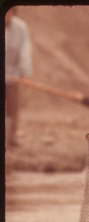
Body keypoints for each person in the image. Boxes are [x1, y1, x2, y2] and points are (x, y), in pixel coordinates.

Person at [5, 6, 33, 147]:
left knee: (12, 108)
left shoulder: (20, 27)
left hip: (12, 75)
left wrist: (25, 73)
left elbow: (25, 51)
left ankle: (11, 138)